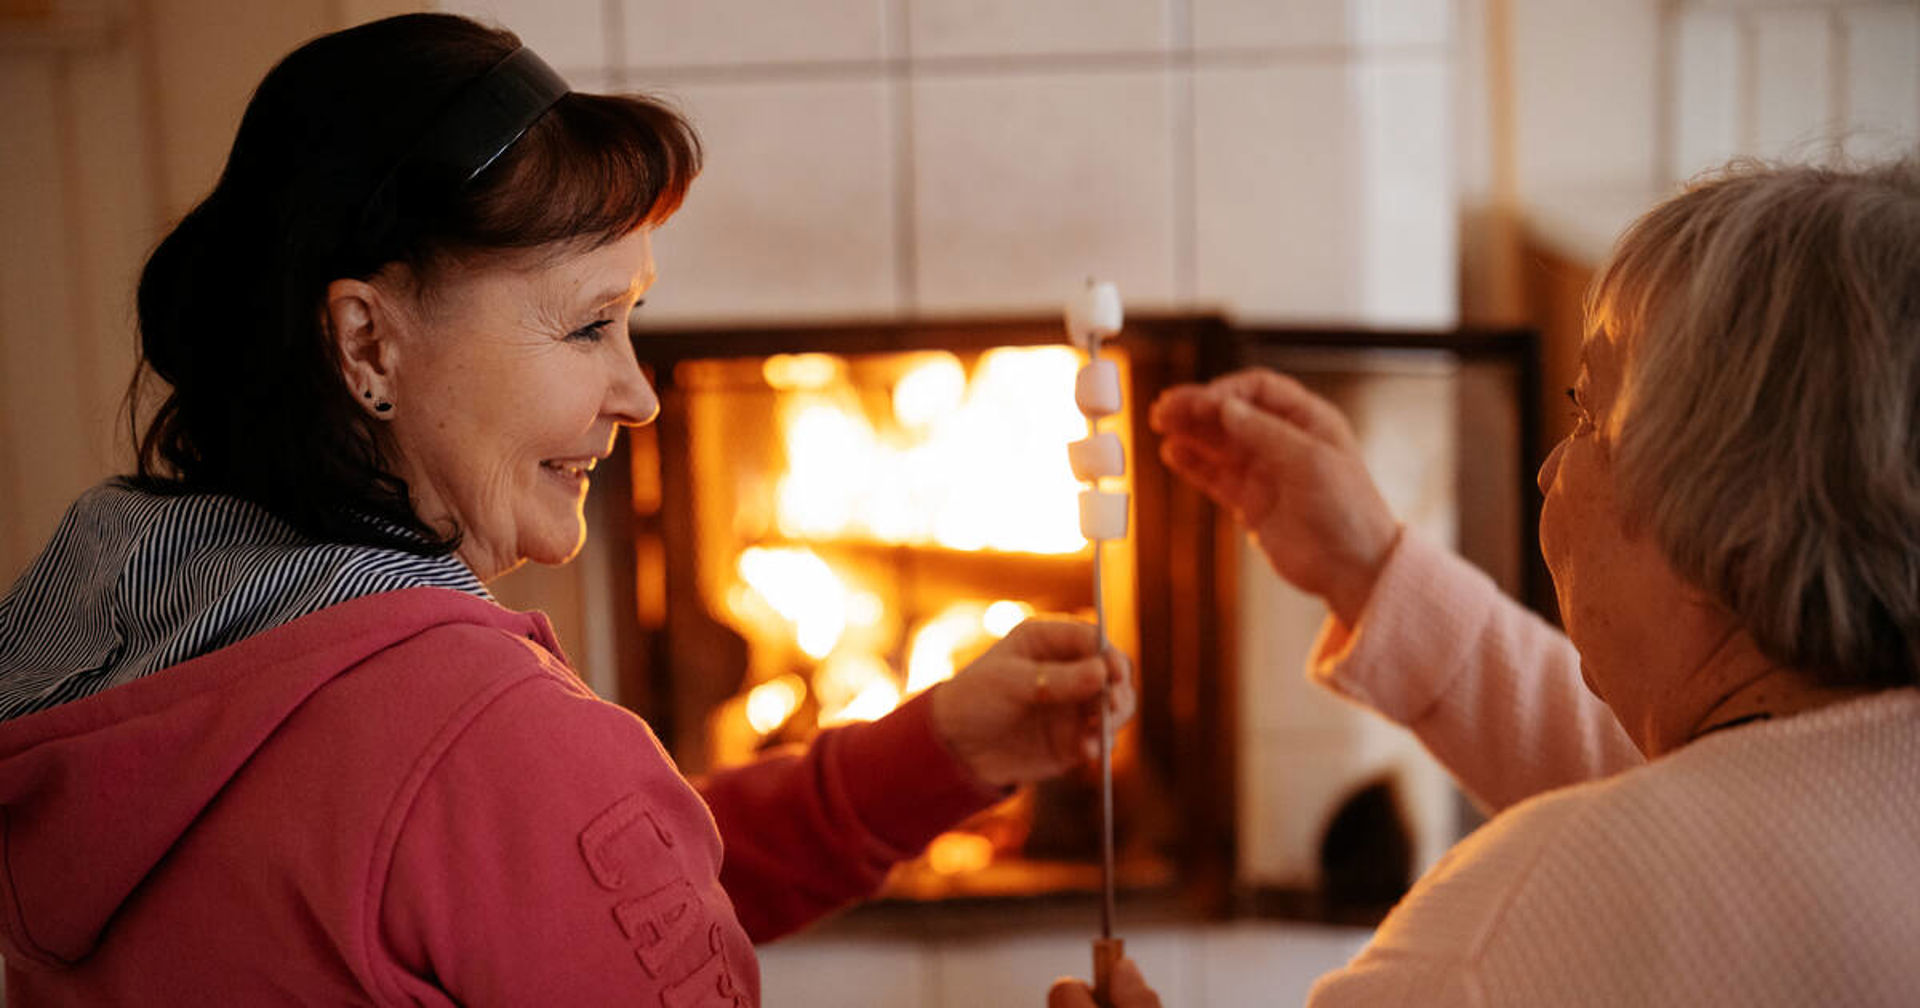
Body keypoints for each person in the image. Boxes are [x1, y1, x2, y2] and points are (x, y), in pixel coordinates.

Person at [0, 14, 1137, 1004]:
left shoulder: (123, 637)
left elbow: (555, 893)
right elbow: (530, 847)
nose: (639, 396)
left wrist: (934, 755)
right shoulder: (488, 741)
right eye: (591, 325)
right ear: (367, 342)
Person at [1144, 155, 1920, 1005]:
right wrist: (1368, 568)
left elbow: (1648, 852)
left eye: (1589, 410)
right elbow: (1692, 801)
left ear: (1731, 517)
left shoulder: (1516, 924)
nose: (1553, 467)